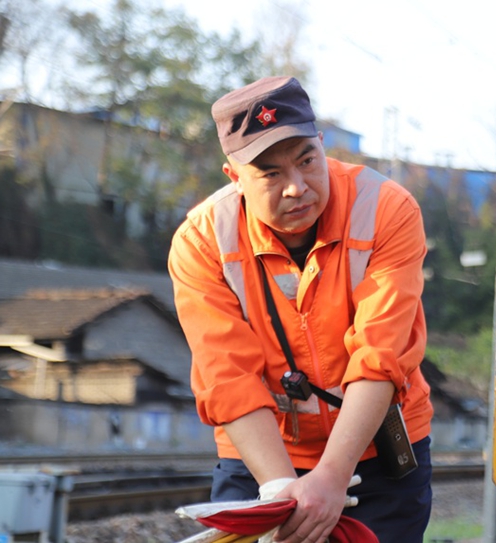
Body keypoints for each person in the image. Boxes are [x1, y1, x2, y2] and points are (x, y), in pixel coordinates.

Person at [168, 76, 433, 543]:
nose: (296, 187)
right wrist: (277, 489)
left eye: (307, 161)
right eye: (270, 174)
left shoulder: (387, 209)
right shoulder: (201, 241)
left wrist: (331, 478)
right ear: (235, 178)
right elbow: (227, 377)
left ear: (321, 145)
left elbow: (379, 356)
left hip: (376, 450)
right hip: (261, 453)